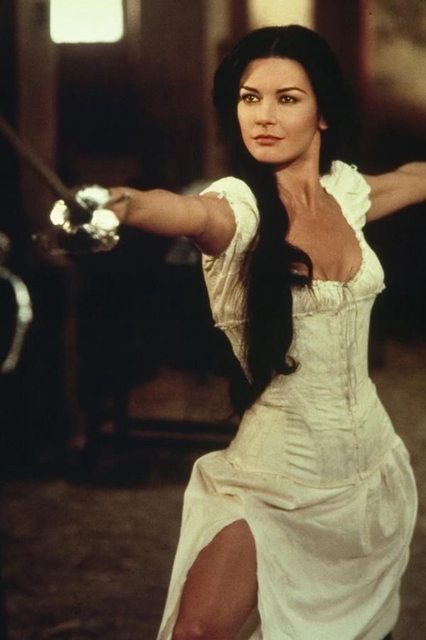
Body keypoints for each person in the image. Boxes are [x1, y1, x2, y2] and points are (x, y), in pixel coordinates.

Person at [106, 25, 425, 640]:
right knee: (199, 632)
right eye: (250, 98)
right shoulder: (238, 208)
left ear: (323, 113)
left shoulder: (345, 194)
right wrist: (118, 204)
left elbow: (412, 178)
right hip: (276, 475)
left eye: (287, 98)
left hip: (369, 466)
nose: (264, 116)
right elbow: (180, 210)